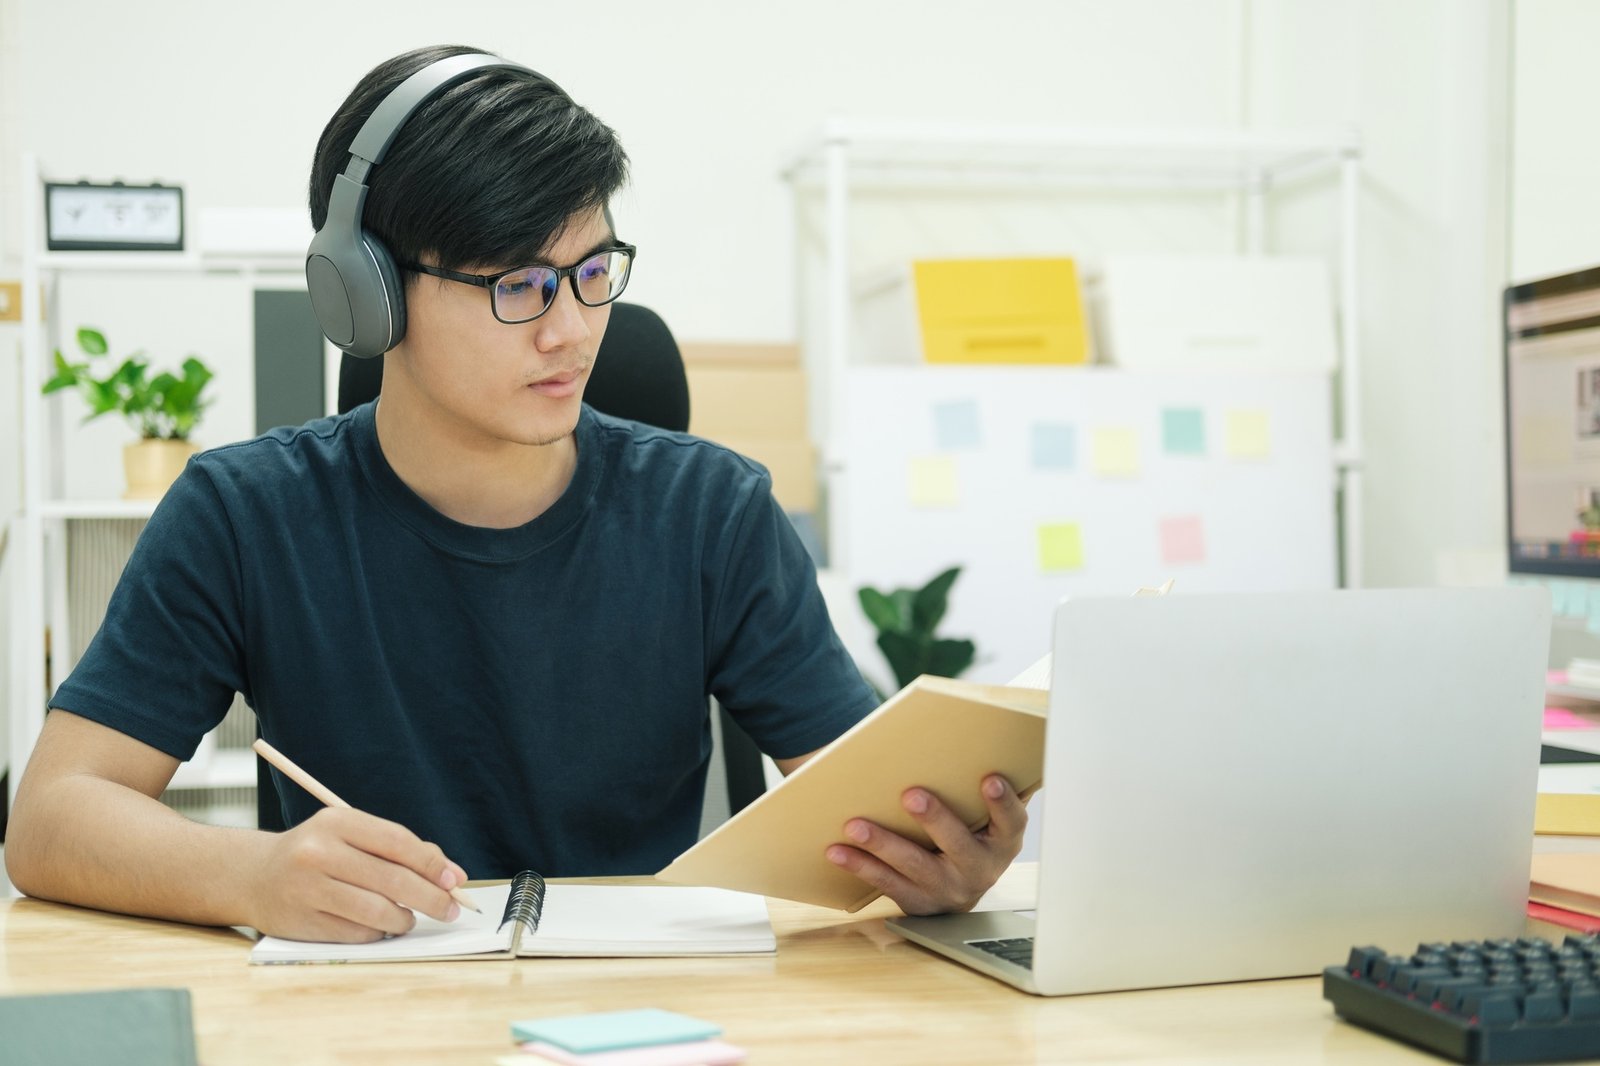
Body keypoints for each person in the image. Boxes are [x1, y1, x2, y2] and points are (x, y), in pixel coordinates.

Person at [4, 44, 1026, 943]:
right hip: (362, 1006)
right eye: (519, 285)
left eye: (592, 273)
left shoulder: (712, 511)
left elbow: (856, 804)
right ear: (365, 291)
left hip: (655, 1014)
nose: (573, 331)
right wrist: (251, 872)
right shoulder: (244, 514)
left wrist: (936, 857)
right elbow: (51, 818)